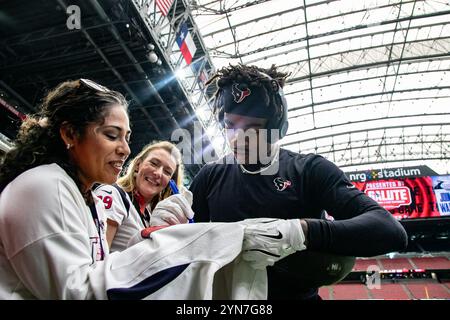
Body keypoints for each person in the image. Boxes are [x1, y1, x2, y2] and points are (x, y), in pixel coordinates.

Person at [0, 78, 270, 300]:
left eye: (127, 138)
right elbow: (78, 292)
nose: (125, 149)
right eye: (111, 135)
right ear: (70, 134)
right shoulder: (48, 185)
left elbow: (102, 266)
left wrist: (155, 238)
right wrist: (180, 245)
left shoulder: (87, 197)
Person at [189, 64, 409, 300]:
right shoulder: (210, 176)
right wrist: (171, 226)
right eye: (230, 125)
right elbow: (189, 252)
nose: (239, 138)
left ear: (279, 128)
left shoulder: (309, 170)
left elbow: (390, 231)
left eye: (253, 127)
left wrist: (300, 231)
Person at [93, 141, 194, 252]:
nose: (158, 173)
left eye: (167, 171)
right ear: (138, 165)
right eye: (154, 163)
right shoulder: (113, 195)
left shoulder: (152, 216)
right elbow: (96, 258)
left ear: (169, 183)